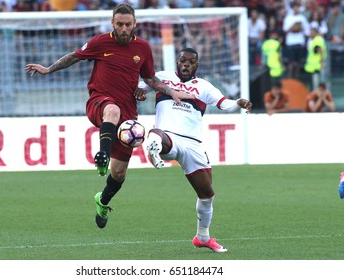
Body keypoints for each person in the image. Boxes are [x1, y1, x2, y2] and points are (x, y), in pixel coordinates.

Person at [25, 3, 193, 229]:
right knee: (111, 110)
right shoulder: (100, 42)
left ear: (135, 25)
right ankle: (101, 155)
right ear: (112, 23)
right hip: (99, 101)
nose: (124, 29)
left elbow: (150, 79)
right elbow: (74, 56)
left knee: (119, 173)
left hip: (128, 113)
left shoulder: (142, 48)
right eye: (120, 24)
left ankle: (102, 201)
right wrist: (48, 69)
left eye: (128, 25)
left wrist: (171, 91)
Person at [139, 48, 252, 252]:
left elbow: (223, 103)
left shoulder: (204, 87)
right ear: (177, 61)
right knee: (157, 134)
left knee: (207, 195)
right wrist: (138, 91)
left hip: (193, 144)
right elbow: (142, 86)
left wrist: (238, 102)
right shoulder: (162, 78)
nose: (186, 65)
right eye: (183, 61)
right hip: (169, 135)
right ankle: (153, 146)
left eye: (191, 62)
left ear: (196, 66)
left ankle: (202, 237)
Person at [282, 1, 310, 78]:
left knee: (298, 63)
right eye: (294, 7)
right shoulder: (288, 18)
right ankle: (290, 78)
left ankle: (297, 78)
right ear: (292, 8)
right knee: (291, 62)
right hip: (291, 42)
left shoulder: (302, 18)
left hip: (299, 41)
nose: (296, 9)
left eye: (297, 7)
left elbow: (307, 31)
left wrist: (299, 27)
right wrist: (293, 27)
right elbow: (285, 29)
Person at [304, 24, 327, 90]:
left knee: (316, 83)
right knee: (314, 83)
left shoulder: (318, 40)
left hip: (316, 65)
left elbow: (320, 51)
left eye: (312, 32)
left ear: (316, 32)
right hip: (312, 65)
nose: (311, 34)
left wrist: (322, 62)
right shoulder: (313, 40)